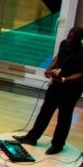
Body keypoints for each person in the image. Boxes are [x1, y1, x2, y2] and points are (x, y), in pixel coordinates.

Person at [14, 26, 83, 155]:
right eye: (68, 37)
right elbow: (57, 57)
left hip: (71, 90)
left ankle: (58, 145)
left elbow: (80, 74)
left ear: (78, 40)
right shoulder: (63, 44)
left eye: (72, 39)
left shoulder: (81, 53)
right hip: (56, 85)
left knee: (64, 118)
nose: (68, 40)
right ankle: (32, 138)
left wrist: (64, 79)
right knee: (44, 112)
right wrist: (49, 69)